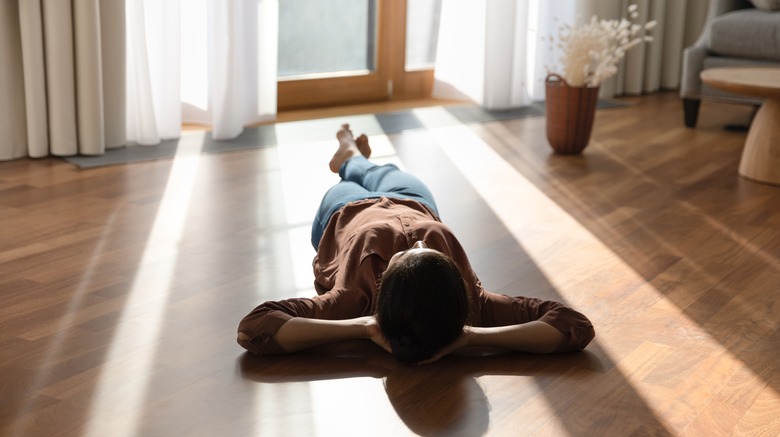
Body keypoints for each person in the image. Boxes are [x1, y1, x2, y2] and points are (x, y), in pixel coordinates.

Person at [237, 124, 595, 364]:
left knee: (356, 179)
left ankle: (350, 159)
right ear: (455, 281)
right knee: (386, 173)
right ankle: (352, 156)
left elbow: (255, 327)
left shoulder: (352, 301)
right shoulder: (472, 302)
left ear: (383, 286)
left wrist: (362, 326)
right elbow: (572, 324)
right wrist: (471, 335)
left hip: (345, 211)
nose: (419, 242)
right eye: (430, 252)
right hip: (414, 201)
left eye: (408, 254)